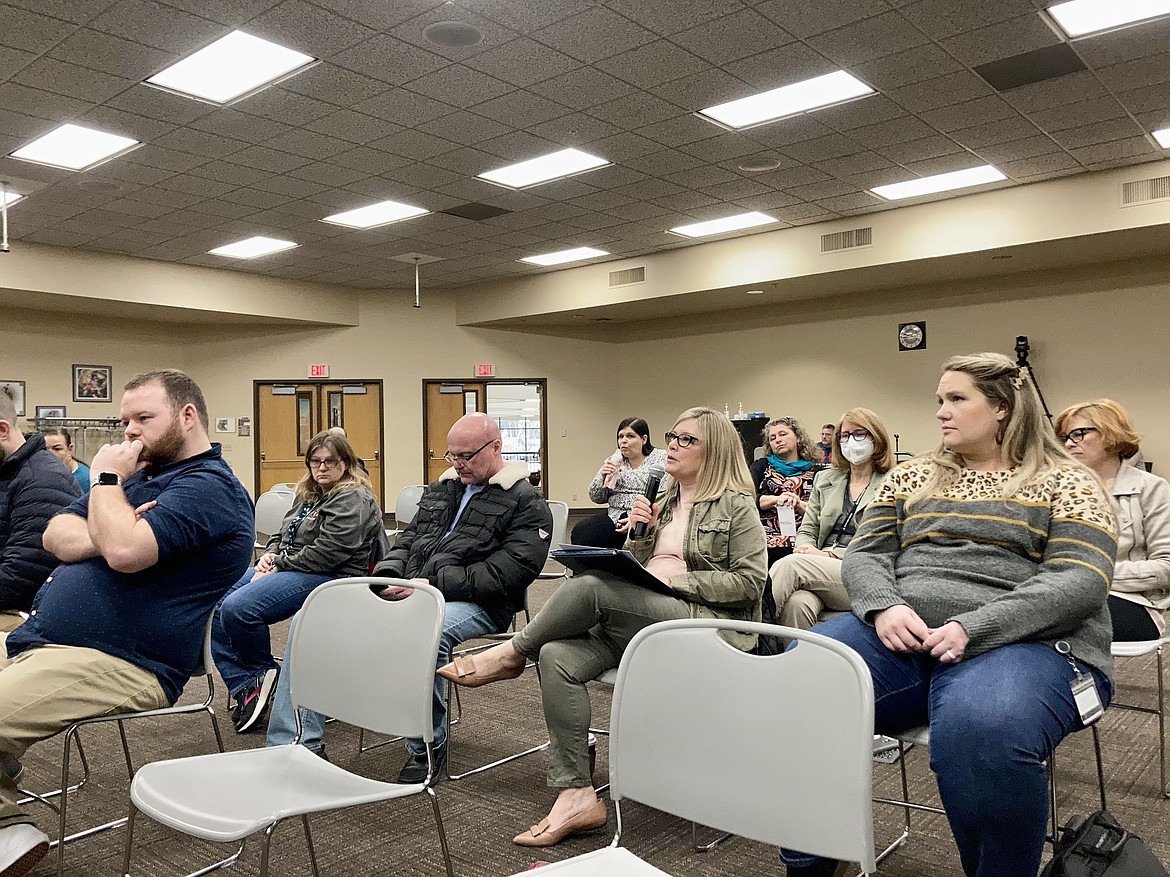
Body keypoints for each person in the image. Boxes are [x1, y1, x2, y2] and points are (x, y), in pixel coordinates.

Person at [782, 353, 1117, 877]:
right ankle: (813, 859)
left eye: (957, 399)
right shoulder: (913, 476)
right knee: (802, 677)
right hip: (906, 635)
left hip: (1027, 643)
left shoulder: (1067, 481)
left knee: (985, 728)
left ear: (1003, 408)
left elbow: (1078, 582)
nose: (942, 412)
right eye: (939, 400)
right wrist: (884, 605)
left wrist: (973, 627)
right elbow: (867, 554)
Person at [438, 406, 767, 847]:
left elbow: (750, 583)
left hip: (703, 624)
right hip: (648, 611)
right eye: (673, 435)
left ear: (716, 451)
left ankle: (512, 653)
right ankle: (576, 794)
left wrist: (678, 580)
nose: (672, 444)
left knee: (592, 587)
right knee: (557, 656)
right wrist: (639, 536)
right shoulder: (665, 495)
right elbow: (647, 556)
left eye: (686, 440)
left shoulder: (737, 505)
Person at [0, 370, 254, 874]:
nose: (130, 432)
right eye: (125, 420)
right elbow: (55, 535)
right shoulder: (141, 478)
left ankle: (8, 829)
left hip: (126, 662)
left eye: (143, 418)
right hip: (49, 643)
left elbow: (125, 552)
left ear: (187, 416)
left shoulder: (209, 488)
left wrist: (107, 489)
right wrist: (114, 527)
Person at [266, 413, 551, 783]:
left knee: (423, 630)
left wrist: (426, 582)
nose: (457, 464)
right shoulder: (443, 489)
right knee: (315, 617)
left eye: (466, 456)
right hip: (415, 588)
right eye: (452, 456)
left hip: (480, 603)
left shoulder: (525, 501)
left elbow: (505, 575)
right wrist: (385, 577)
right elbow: (407, 543)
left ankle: (427, 746)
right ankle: (297, 742)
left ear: (496, 447)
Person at [212, 430, 383, 734]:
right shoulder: (308, 491)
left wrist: (279, 564)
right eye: (315, 462)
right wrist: (270, 555)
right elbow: (282, 533)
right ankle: (249, 684)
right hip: (292, 567)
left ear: (345, 463)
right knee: (214, 601)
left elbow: (328, 554)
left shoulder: (353, 497)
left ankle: (261, 675)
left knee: (239, 608)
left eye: (330, 462)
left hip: (332, 577)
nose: (321, 468)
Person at [1054, 399, 1169, 641]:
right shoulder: (1059, 489)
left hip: (1133, 602)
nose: (1068, 444)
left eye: (1079, 434)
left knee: (1048, 619)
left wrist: (1094, 577)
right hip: (1066, 595)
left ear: (1110, 433)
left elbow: (1166, 567)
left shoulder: (1151, 488)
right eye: (1064, 438)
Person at [770, 408, 894, 631]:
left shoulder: (893, 483)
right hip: (819, 568)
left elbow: (885, 545)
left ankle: (748, 634)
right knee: (797, 604)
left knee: (791, 565)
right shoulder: (826, 479)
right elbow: (807, 528)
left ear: (876, 438)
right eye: (844, 436)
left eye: (859, 434)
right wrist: (805, 547)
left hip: (865, 573)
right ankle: (795, 663)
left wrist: (827, 554)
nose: (850, 441)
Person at [0, 391, 80, 634]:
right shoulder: (8, 474)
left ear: (2, 430)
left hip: (25, 615)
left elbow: (21, 578)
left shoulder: (43, 479)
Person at [572, 417, 667, 548]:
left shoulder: (660, 460)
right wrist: (602, 476)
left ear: (644, 439)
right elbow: (596, 497)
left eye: (630, 436)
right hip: (614, 515)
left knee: (636, 537)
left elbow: (665, 497)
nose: (623, 441)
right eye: (620, 436)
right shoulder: (615, 460)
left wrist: (636, 518)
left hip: (645, 517)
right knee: (582, 532)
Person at [750, 417, 822, 566]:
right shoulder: (761, 467)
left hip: (803, 542)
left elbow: (822, 513)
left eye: (783, 434)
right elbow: (746, 498)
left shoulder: (818, 472)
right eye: (772, 438)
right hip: (765, 541)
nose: (777, 440)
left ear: (798, 438)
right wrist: (775, 500)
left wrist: (798, 504)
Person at [42, 428, 91, 495]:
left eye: (57, 449)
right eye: (45, 449)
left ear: (69, 449)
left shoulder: (85, 480)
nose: (51, 454)